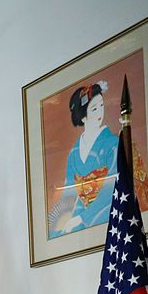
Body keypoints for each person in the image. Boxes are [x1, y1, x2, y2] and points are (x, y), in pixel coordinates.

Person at [52, 81, 117, 237]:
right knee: (59, 233)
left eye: (102, 106)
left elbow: (112, 186)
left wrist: (82, 217)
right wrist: (63, 221)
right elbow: (69, 193)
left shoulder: (112, 143)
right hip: (80, 211)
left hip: (106, 208)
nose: (100, 112)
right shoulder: (74, 153)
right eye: (94, 109)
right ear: (82, 117)